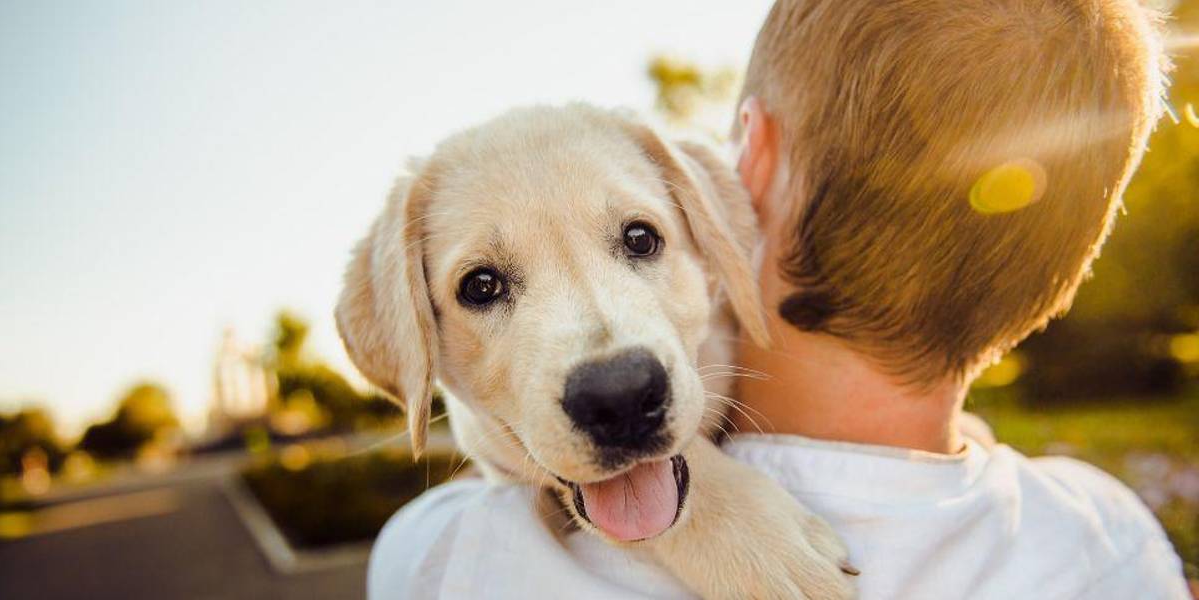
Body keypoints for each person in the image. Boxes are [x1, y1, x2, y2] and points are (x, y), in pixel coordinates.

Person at [368, 0, 1191, 597]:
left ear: (747, 164)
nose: (609, 365)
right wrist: (701, 505)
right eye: (484, 286)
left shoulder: (443, 559)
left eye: (640, 240)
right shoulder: (1113, 544)